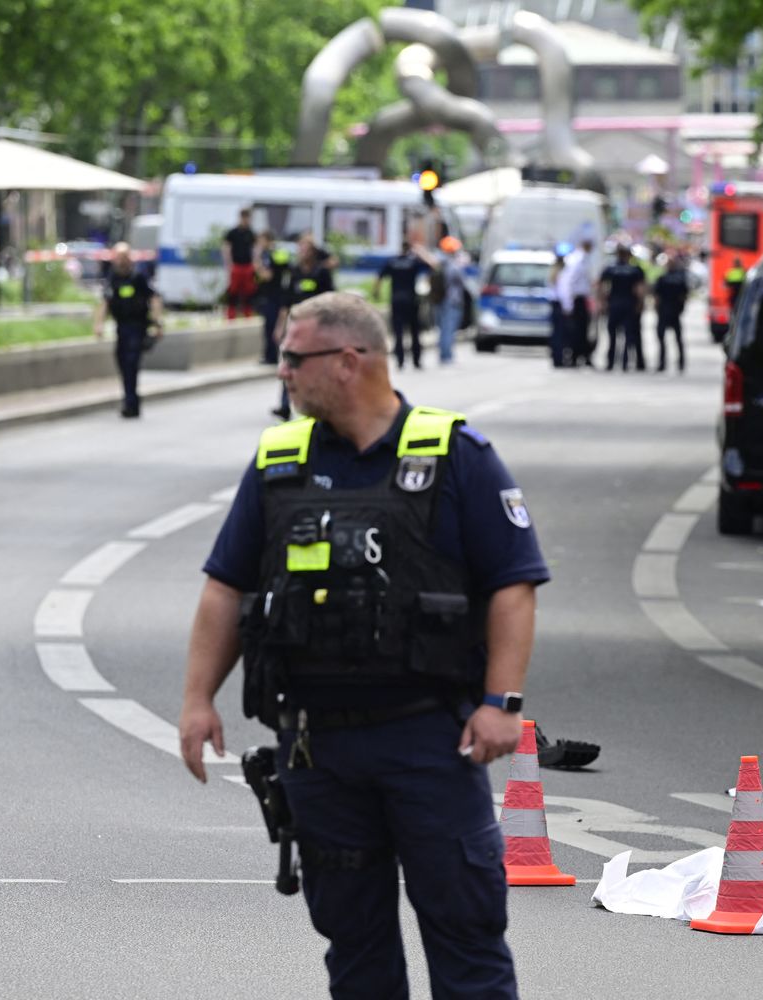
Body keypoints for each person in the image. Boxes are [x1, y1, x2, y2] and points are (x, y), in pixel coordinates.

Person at [178, 291, 546, 1000]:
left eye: (294, 358)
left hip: (429, 739)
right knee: (354, 944)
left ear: (348, 362)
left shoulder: (453, 456)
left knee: (465, 934)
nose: (281, 371)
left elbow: (513, 584)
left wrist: (502, 702)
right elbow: (226, 586)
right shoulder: (279, 461)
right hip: (317, 748)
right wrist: (198, 699)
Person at [91, 242, 163, 418]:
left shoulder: (138, 276)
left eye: (124, 257)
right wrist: (99, 323)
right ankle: (132, 399)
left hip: (137, 326)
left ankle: (130, 402)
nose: (121, 261)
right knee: (122, 363)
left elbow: (153, 297)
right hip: (121, 327)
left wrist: (156, 322)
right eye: (118, 257)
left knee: (131, 363)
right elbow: (105, 302)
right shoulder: (113, 278)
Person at [271, 234, 337, 420]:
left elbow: (330, 300)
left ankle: (318, 404)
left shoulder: (321, 273)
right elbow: (286, 302)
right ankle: (285, 405)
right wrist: (280, 326)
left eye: (305, 248)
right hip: (296, 326)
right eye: (300, 248)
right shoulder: (294, 272)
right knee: (288, 364)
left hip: (316, 327)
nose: (301, 252)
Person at [375, 240, 431, 370]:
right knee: (415, 332)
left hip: (396, 300)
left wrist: (376, 292)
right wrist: (421, 253)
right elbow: (431, 266)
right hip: (411, 300)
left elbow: (379, 277)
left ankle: (400, 360)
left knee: (398, 332)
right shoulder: (414, 261)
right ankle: (416, 361)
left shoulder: (393, 261)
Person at [598, 245, 646, 372]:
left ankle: (610, 363)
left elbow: (603, 287)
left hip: (614, 304)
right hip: (629, 304)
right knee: (627, 335)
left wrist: (602, 303)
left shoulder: (611, 269)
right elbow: (639, 289)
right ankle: (624, 363)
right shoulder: (635, 270)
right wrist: (640, 304)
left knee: (612, 335)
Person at [253, 231, 291, 365]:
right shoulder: (277, 253)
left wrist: (257, 264)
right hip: (274, 294)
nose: (259, 244)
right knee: (272, 326)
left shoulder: (268, 255)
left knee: (271, 326)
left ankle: (271, 357)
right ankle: (272, 355)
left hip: (273, 295)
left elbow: (267, 276)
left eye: (261, 241)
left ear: (268, 241)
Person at [428, 236, 466, 366]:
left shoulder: (437, 262)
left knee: (442, 328)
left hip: (438, 299)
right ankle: (446, 355)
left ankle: (443, 354)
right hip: (451, 301)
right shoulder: (452, 264)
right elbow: (460, 281)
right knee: (448, 329)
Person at [557, 238, 595, 367]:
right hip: (576, 300)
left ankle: (581, 356)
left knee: (583, 330)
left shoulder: (583, 259)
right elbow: (568, 283)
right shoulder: (577, 261)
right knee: (576, 331)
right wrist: (568, 305)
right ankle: (574, 357)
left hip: (581, 300)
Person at [652, 253, 690, 373]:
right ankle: (681, 364)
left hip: (664, 311)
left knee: (662, 339)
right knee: (677, 339)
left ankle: (662, 364)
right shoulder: (680, 279)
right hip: (674, 312)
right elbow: (684, 296)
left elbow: (656, 297)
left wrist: (657, 310)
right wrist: (681, 309)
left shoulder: (662, 279)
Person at [223, 208, 259, 320]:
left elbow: (255, 249)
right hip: (236, 265)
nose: (246, 220)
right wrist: (229, 263)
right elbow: (226, 248)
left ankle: (247, 312)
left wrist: (255, 263)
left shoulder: (251, 233)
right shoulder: (232, 233)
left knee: (248, 290)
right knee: (233, 290)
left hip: (247, 266)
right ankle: (231, 312)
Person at [546, 246, 569, 368]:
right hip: (559, 305)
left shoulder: (553, 272)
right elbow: (563, 293)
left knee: (555, 333)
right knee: (560, 334)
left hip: (554, 305)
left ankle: (556, 357)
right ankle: (559, 359)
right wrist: (567, 308)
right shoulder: (561, 273)